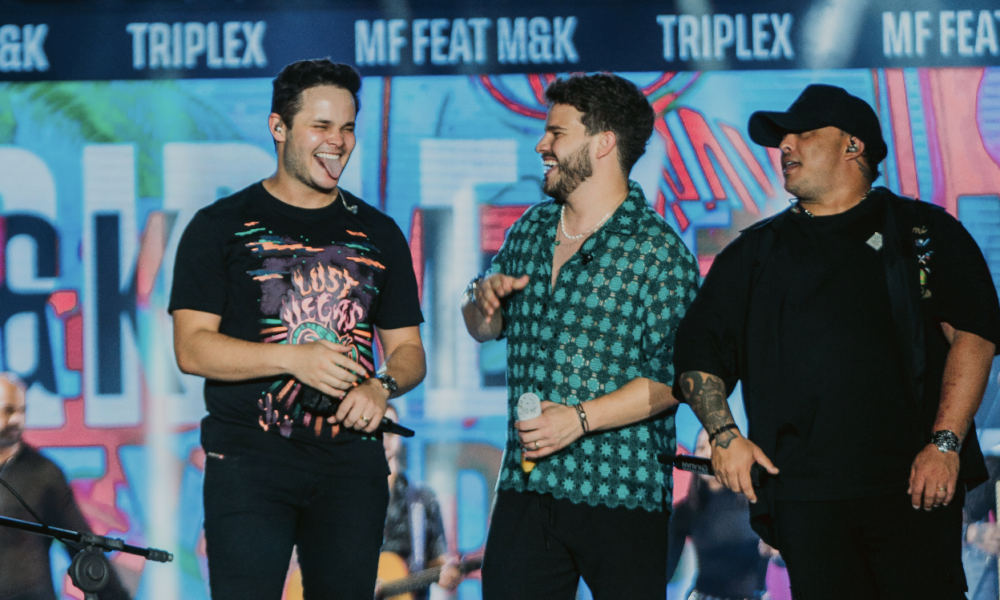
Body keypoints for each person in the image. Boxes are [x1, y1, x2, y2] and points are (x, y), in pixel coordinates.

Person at [672, 83, 1000, 599]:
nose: (785, 145)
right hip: (806, 501)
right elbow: (698, 352)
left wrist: (944, 444)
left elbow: (973, 335)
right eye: (782, 138)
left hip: (912, 487)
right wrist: (725, 435)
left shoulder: (923, 233)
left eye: (802, 133)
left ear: (853, 144)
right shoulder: (754, 254)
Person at [169, 59, 426, 600]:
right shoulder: (219, 227)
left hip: (351, 468)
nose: (338, 142)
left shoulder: (379, 232)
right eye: (321, 126)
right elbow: (192, 349)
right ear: (278, 127)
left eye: (348, 127)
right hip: (249, 463)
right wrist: (294, 358)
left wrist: (380, 387)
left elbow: (409, 350)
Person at [462, 73, 699, 600]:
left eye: (557, 133)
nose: (541, 145)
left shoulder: (659, 252)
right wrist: (480, 301)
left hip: (621, 492)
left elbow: (673, 378)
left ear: (603, 143)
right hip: (526, 484)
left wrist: (580, 419)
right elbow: (483, 327)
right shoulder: (530, 228)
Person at [0, 374, 131, 600]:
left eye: (23, 410)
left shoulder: (43, 473)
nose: (17, 420)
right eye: (8, 410)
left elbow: (82, 544)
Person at [666, 429, 767, 600]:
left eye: (715, 447)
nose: (707, 454)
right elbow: (665, 570)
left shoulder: (756, 502)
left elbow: (782, 557)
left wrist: (775, 552)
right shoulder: (687, 510)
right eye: (701, 448)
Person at [378, 404, 461, 600]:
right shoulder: (342, 498)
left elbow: (437, 559)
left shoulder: (423, 499)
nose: (384, 437)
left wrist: (446, 573)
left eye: (390, 429)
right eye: (377, 430)